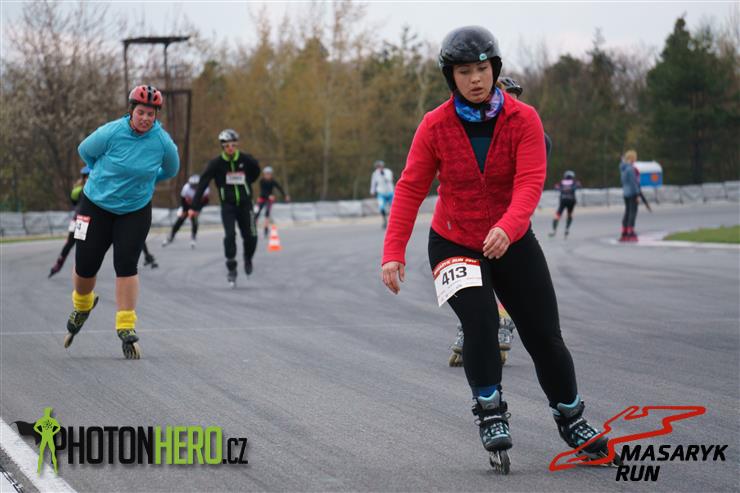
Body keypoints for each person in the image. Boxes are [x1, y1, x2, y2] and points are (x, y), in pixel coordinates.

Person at [380, 26, 614, 473]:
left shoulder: (524, 119)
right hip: (453, 240)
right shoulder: (434, 125)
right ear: (451, 77)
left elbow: (530, 182)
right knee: (482, 323)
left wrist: (508, 227)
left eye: (482, 69)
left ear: (495, 69)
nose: (475, 79)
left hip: (512, 239)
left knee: (543, 335)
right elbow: (410, 188)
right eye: (464, 72)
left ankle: (572, 418)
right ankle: (490, 412)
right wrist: (393, 252)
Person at [63, 84, 179, 359]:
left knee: (126, 264)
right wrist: (100, 172)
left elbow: (171, 169)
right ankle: (82, 305)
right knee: (85, 264)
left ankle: (126, 325)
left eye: (151, 114)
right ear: (131, 111)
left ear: (156, 116)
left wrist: (149, 179)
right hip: (94, 205)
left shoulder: (162, 142)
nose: (145, 118)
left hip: (134, 210)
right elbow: (85, 151)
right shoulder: (111, 132)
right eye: (141, 112)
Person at [189, 129, 260, 287]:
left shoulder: (246, 159)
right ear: (222, 147)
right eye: (227, 146)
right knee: (230, 235)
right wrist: (194, 206)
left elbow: (256, 171)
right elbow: (203, 183)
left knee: (252, 236)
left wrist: (248, 182)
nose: (230, 148)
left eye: (233, 145)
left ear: (237, 145)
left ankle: (248, 258)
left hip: (246, 204)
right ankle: (231, 266)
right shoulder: (216, 164)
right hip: (228, 205)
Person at [48, 166, 90, 278]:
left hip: (86, 220)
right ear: (84, 178)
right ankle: (59, 263)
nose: (88, 179)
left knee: (83, 246)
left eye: (89, 177)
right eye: (86, 177)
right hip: (80, 221)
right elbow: (74, 202)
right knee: (72, 243)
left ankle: (79, 268)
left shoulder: (84, 189)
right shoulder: (79, 190)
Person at [162, 174, 210, 248]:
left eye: (196, 186)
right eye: (193, 186)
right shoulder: (186, 188)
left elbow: (205, 201)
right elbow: (183, 200)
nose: (194, 188)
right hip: (187, 205)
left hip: (197, 205)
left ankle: (193, 237)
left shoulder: (205, 188)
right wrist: (184, 211)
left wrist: (198, 210)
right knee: (180, 220)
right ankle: (171, 235)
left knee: (194, 220)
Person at [255, 166, 289, 238]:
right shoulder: (262, 181)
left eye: (269, 174)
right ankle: (253, 230)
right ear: (264, 174)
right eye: (266, 174)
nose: (268, 175)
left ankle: (266, 230)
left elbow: (279, 188)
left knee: (267, 213)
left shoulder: (273, 181)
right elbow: (263, 191)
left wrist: (285, 195)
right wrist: (268, 196)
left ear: (271, 174)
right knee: (257, 213)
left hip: (269, 200)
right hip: (262, 198)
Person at [549, 170, 581, 238]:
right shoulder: (574, 182)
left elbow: (556, 187)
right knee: (569, 214)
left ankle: (554, 230)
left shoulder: (561, 182)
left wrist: (562, 189)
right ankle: (567, 228)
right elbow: (578, 186)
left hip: (563, 200)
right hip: (571, 201)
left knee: (557, 215)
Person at [619, 150, 640, 242]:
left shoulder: (623, 168)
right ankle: (630, 231)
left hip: (625, 192)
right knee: (632, 212)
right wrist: (637, 194)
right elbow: (633, 183)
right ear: (632, 158)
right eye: (635, 158)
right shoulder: (630, 169)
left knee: (627, 212)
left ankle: (624, 230)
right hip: (632, 193)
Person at [370, 160, 395, 228]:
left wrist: (383, 174)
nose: (379, 168)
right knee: (381, 207)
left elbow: (389, 180)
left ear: (383, 166)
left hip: (390, 192)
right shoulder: (375, 174)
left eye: (380, 166)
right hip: (381, 193)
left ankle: (393, 221)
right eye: (377, 167)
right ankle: (384, 220)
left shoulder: (388, 171)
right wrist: (372, 191)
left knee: (393, 207)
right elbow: (373, 183)